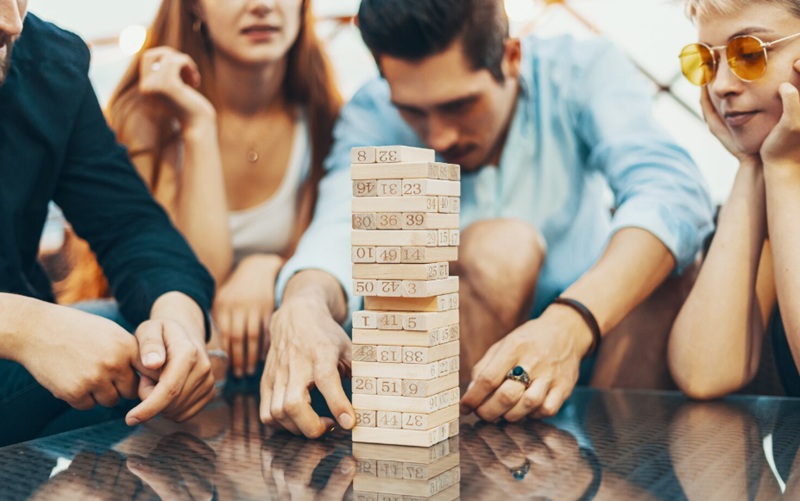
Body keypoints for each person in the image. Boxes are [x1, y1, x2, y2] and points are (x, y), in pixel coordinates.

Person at [259, 0, 715, 437]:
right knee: (503, 248)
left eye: (460, 105)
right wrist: (303, 302)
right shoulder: (373, 110)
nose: (439, 134)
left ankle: (619, 467)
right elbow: (343, 226)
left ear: (512, 56)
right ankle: (465, 466)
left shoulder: (580, 69)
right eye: (412, 111)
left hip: (594, 355)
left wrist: (570, 324)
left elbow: (670, 192)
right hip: (445, 381)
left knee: (670, 265)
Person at [0, 0, 217, 446]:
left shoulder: (50, 63)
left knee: (143, 352)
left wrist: (178, 323)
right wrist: (25, 326)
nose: (10, 21)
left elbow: (130, 225)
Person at [91, 0, 341, 380]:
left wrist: (271, 267)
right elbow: (192, 276)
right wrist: (198, 126)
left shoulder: (323, 119)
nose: (263, 6)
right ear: (194, 7)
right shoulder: (148, 117)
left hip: (271, 339)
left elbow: (321, 260)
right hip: (180, 339)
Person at [669, 0, 800, 398]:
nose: (721, 84)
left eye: (749, 52)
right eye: (707, 61)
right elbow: (704, 372)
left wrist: (783, 169)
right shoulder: (780, 185)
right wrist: (755, 166)